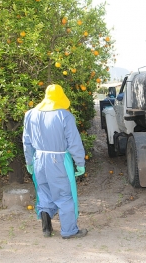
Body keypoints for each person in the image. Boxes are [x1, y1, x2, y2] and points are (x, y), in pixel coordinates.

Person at [22, 84, 87, 239]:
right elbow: (74, 143)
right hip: (58, 160)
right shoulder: (64, 116)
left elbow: (26, 142)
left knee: (43, 192)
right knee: (64, 195)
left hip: (39, 159)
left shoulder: (30, 114)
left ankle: (46, 229)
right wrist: (80, 163)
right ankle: (69, 231)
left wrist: (29, 162)